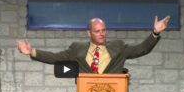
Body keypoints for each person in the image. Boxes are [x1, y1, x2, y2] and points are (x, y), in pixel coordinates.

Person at [16, 16, 170, 74]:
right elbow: (56, 58)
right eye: (97, 31)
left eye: (104, 30)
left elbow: (142, 49)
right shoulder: (77, 48)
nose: (102, 33)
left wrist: (155, 33)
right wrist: (32, 51)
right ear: (89, 33)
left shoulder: (118, 47)